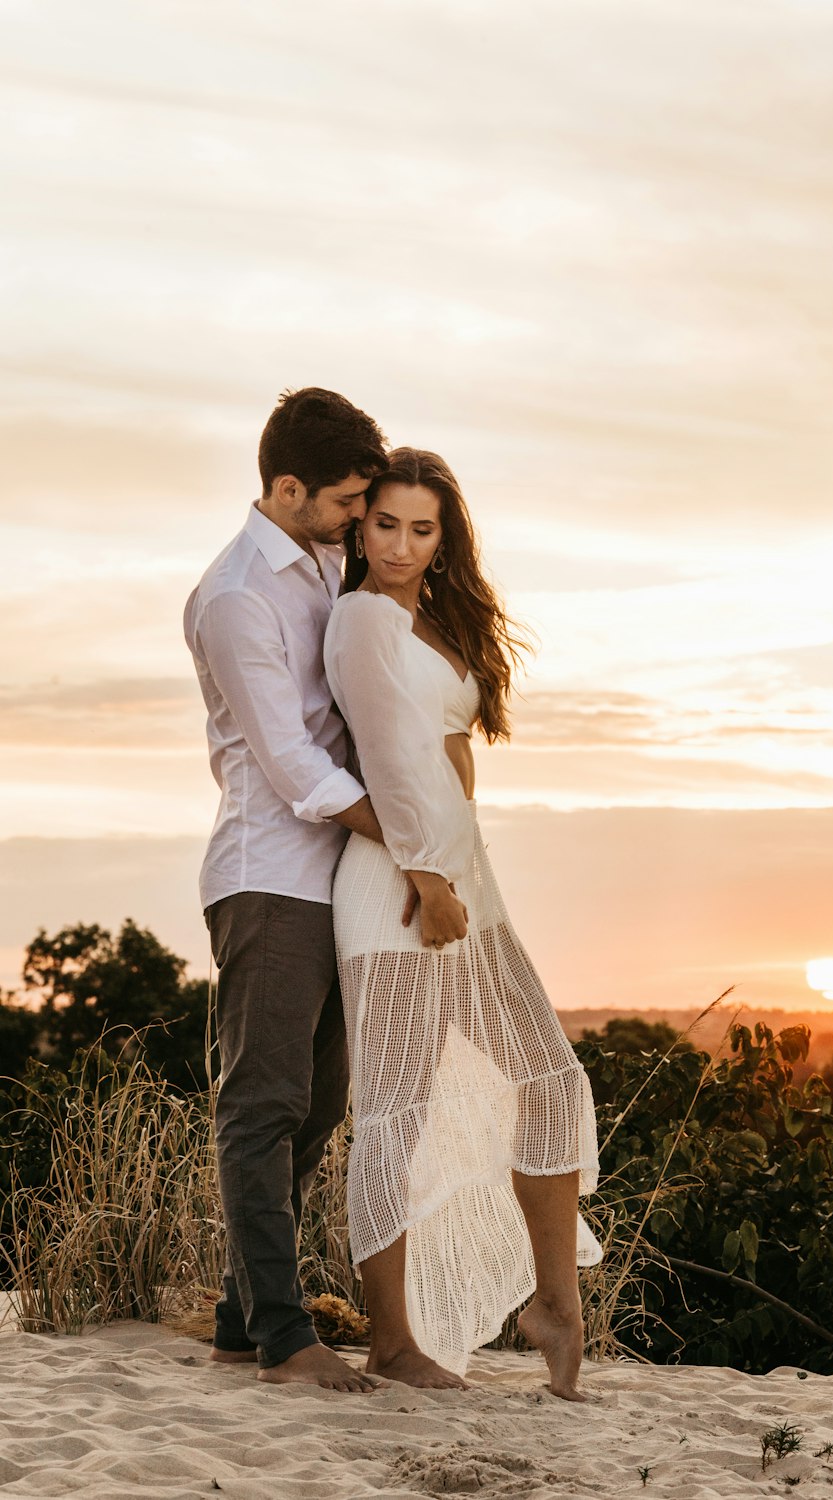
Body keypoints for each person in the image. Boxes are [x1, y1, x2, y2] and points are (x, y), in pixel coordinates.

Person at [324, 448, 602, 1401]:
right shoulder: (360, 618)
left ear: (445, 540)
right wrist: (428, 875)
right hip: (398, 887)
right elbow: (389, 761)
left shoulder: (433, 621)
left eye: (422, 528)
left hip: (463, 885)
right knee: (396, 1110)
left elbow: (448, 758)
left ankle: (554, 1302)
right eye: (385, 524)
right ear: (361, 530)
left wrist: (466, 875)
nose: (400, 545)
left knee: (549, 1077)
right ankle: (392, 1341)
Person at [184, 388, 391, 1391]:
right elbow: (291, 763)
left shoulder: (328, 566)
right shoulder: (236, 597)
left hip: (339, 882)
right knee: (261, 1107)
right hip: (270, 877)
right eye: (348, 499)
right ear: (286, 488)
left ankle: (236, 1318)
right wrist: (410, 830)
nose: (360, 515)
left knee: (316, 1110)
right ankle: (280, 1337)